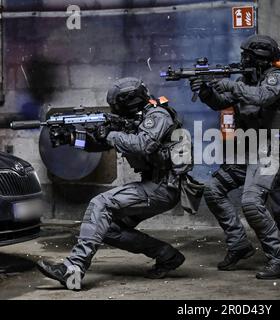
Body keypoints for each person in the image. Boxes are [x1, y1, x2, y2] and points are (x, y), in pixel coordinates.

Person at [36, 77, 191, 290]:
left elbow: (142, 144)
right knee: (108, 228)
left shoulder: (157, 115)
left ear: (128, 101)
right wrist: (72, 138)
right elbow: (99, 145)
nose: (116, 109)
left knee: (100, 203)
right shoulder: (137, 119)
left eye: (118, 105)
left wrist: (110, 134)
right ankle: (167, 255)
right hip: (154, 186)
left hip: (163, 187)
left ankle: (73, 270)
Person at [190, 35, 280, 279]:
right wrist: (205, 91)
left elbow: (263, 97)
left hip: (270, 147)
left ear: (259, 58)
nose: (242, 59)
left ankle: (279, 259)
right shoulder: (244, 80)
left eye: (247, 56)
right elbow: (220, 103)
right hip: (246, 147)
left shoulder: (276, 78)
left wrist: (230, 85)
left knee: (250, 202)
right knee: (213, 190)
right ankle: (239, 245)